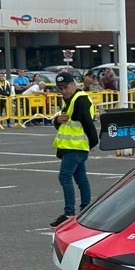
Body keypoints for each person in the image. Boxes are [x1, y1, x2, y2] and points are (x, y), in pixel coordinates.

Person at [49, 72, 98, 228]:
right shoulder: (70, 99)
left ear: (73, 84)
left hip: (76, 147)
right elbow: (65, 124)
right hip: (72, 146)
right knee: (80, 177)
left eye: (65, 87)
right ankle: (86, 209)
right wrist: (57, 120)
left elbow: (87, 122)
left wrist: (93, 142)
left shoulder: (80, 99)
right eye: (60, 88)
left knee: (64, 177)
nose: (63, 91)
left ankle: (69, 212)